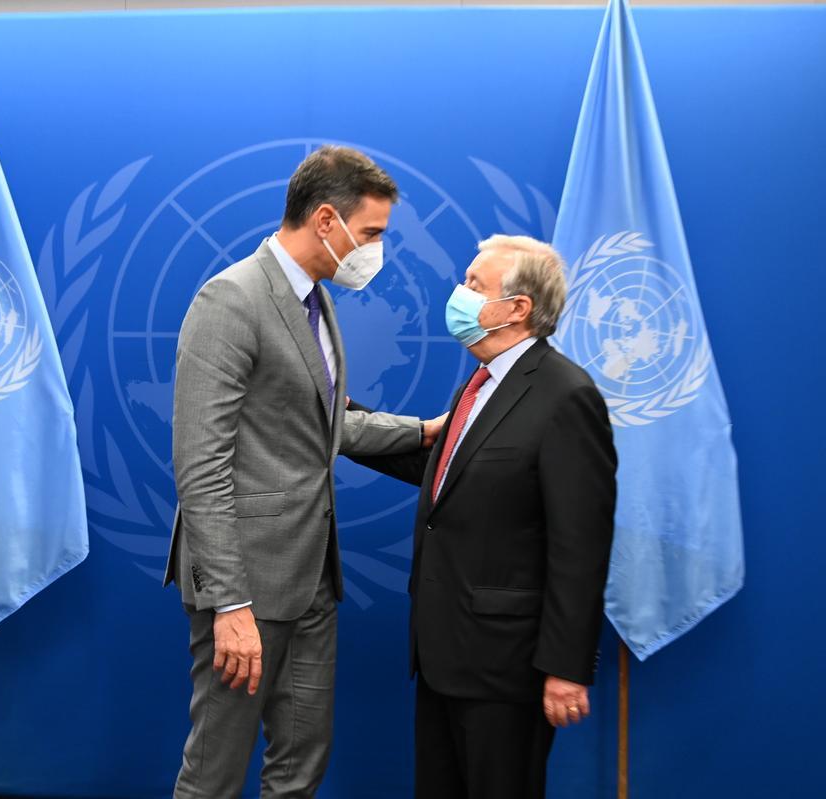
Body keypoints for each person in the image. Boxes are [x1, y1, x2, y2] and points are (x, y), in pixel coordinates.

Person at [164, 145, 444, 798]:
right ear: (326, 220)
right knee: (216, 770)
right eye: (371, 232)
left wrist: (425, 431)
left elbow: (324, 424)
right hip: (247, 586)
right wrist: (230, 603)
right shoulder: (230, 300)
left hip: (314, 576)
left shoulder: (318, 302)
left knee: (301, 762)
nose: (376, 249)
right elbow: (200, 464)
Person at [351, 234, 617, 798]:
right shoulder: (482, 384)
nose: (460, 294)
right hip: (444, 654)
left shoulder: (565, 396)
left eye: (474, 285)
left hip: (507, 667)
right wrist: (334, 414)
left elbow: (581, 546)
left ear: (518, 308)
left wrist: (566, 667)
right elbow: (442, 475)